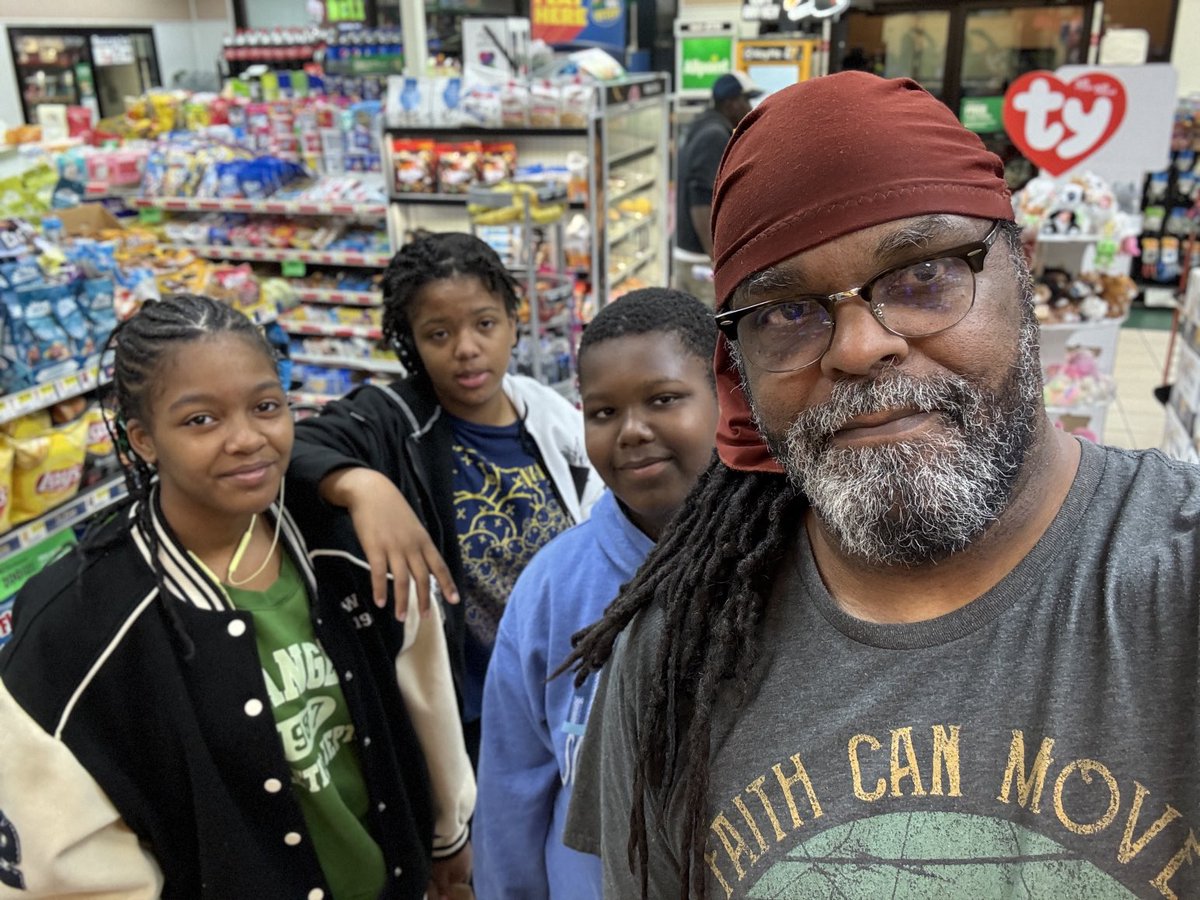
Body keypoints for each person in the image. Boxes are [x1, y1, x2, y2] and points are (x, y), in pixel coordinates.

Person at [563, 72, 1200, 899]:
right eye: (787, 312)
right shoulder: (674, 658)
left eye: (924, 274)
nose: (859, 347)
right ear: (739, 369)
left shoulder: (1175, 595)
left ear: (1026, 273)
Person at [0, 295, 474, 898]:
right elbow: (64, 862)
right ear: (143, 439)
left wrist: (447, 833)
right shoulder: (78, 626)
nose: (247, 439)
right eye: (201, 420)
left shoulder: (350, 547)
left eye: (266, 406)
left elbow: (423, 690)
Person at [288, 232, 603, 764]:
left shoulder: (545, 412)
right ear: (410, 341)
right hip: (479, 722)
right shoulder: (396, 421)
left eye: (485, 323)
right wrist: (362, 484)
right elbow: (293, 447)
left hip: (573, 694)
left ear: (511, 320)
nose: (466, 348)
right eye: (439, 333)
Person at [473, 288, 719, 900]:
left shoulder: (798, 564)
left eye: (663, 400)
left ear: (727, 397)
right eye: (603, 413)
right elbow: (512, 788)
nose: (632, 431)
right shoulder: (553, 588)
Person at [672, 71, 762, 307]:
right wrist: (717, 260)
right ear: (731, 102)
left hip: (689, 254)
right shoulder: (713, 136)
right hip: (699, 259)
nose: (749, 107)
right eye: (746, 100)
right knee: (708, 333)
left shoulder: (701, 126)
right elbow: (700, 201)